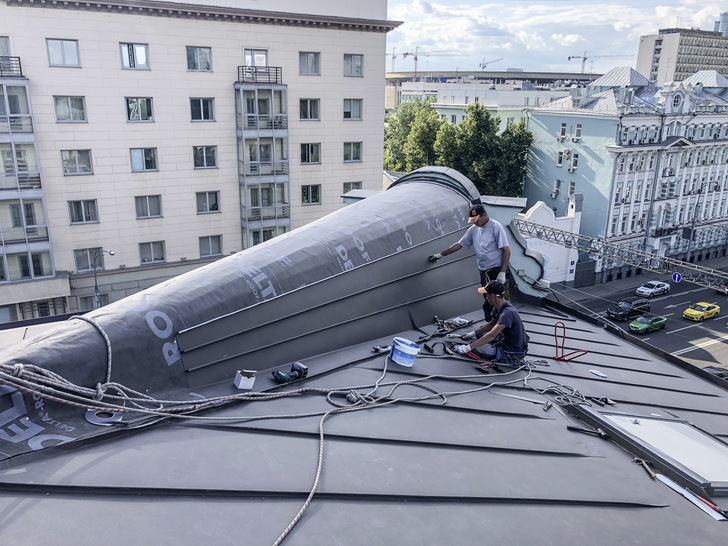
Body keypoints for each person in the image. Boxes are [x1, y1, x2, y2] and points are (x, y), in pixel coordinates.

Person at [428, 203, 511, 316]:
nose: (475, 222)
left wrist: (502, 273)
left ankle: (504, 327)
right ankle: (492, 326)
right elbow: (459, 244)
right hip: (484, 271)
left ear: (484, 215)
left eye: (477, 220)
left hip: (496, 270)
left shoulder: (496, 227)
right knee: (489, 300)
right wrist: (441, 255)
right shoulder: (473, 230)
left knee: (500, 301)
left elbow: (506, 251)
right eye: (473, 220)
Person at [453, 280, 529, 362]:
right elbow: (492, 324)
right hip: (505, 341)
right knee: (480, 334)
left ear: (493, 296)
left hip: (511, 353)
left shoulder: (507, 313)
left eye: (486, 295)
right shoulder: (500, 306)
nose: (486, 297)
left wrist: (467, 348)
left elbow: (491, 336)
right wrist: (473, 333)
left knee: (477, 348)